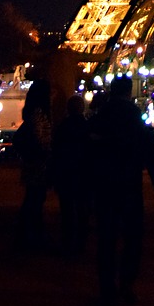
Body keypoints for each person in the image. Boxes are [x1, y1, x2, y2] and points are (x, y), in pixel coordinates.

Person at [88, 74, 154, 306]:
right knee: (132, 239)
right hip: (129, 185)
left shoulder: (100, 117)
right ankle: (127, 284)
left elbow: (87, 153)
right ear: (129, 92)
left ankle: (107, 288)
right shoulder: (135, 118)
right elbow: (151, 157)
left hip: (104, 185)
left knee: (106, 239)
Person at [50, 94, 93, 256]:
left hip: (66, 173)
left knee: (67, 210)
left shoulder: (62, 127)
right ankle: (81, 243)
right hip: (83, 174)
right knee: (82, 211)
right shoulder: (87, 127)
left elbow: (56, 151)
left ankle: (67, 242)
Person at [16, 77, 52, 250]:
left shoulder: (31, 112)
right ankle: (31, 234)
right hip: (38, 161)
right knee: (36, 198)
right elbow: (40, 138)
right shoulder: (39, 113)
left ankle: (27, 232)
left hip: (31, 161)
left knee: (33, 197)